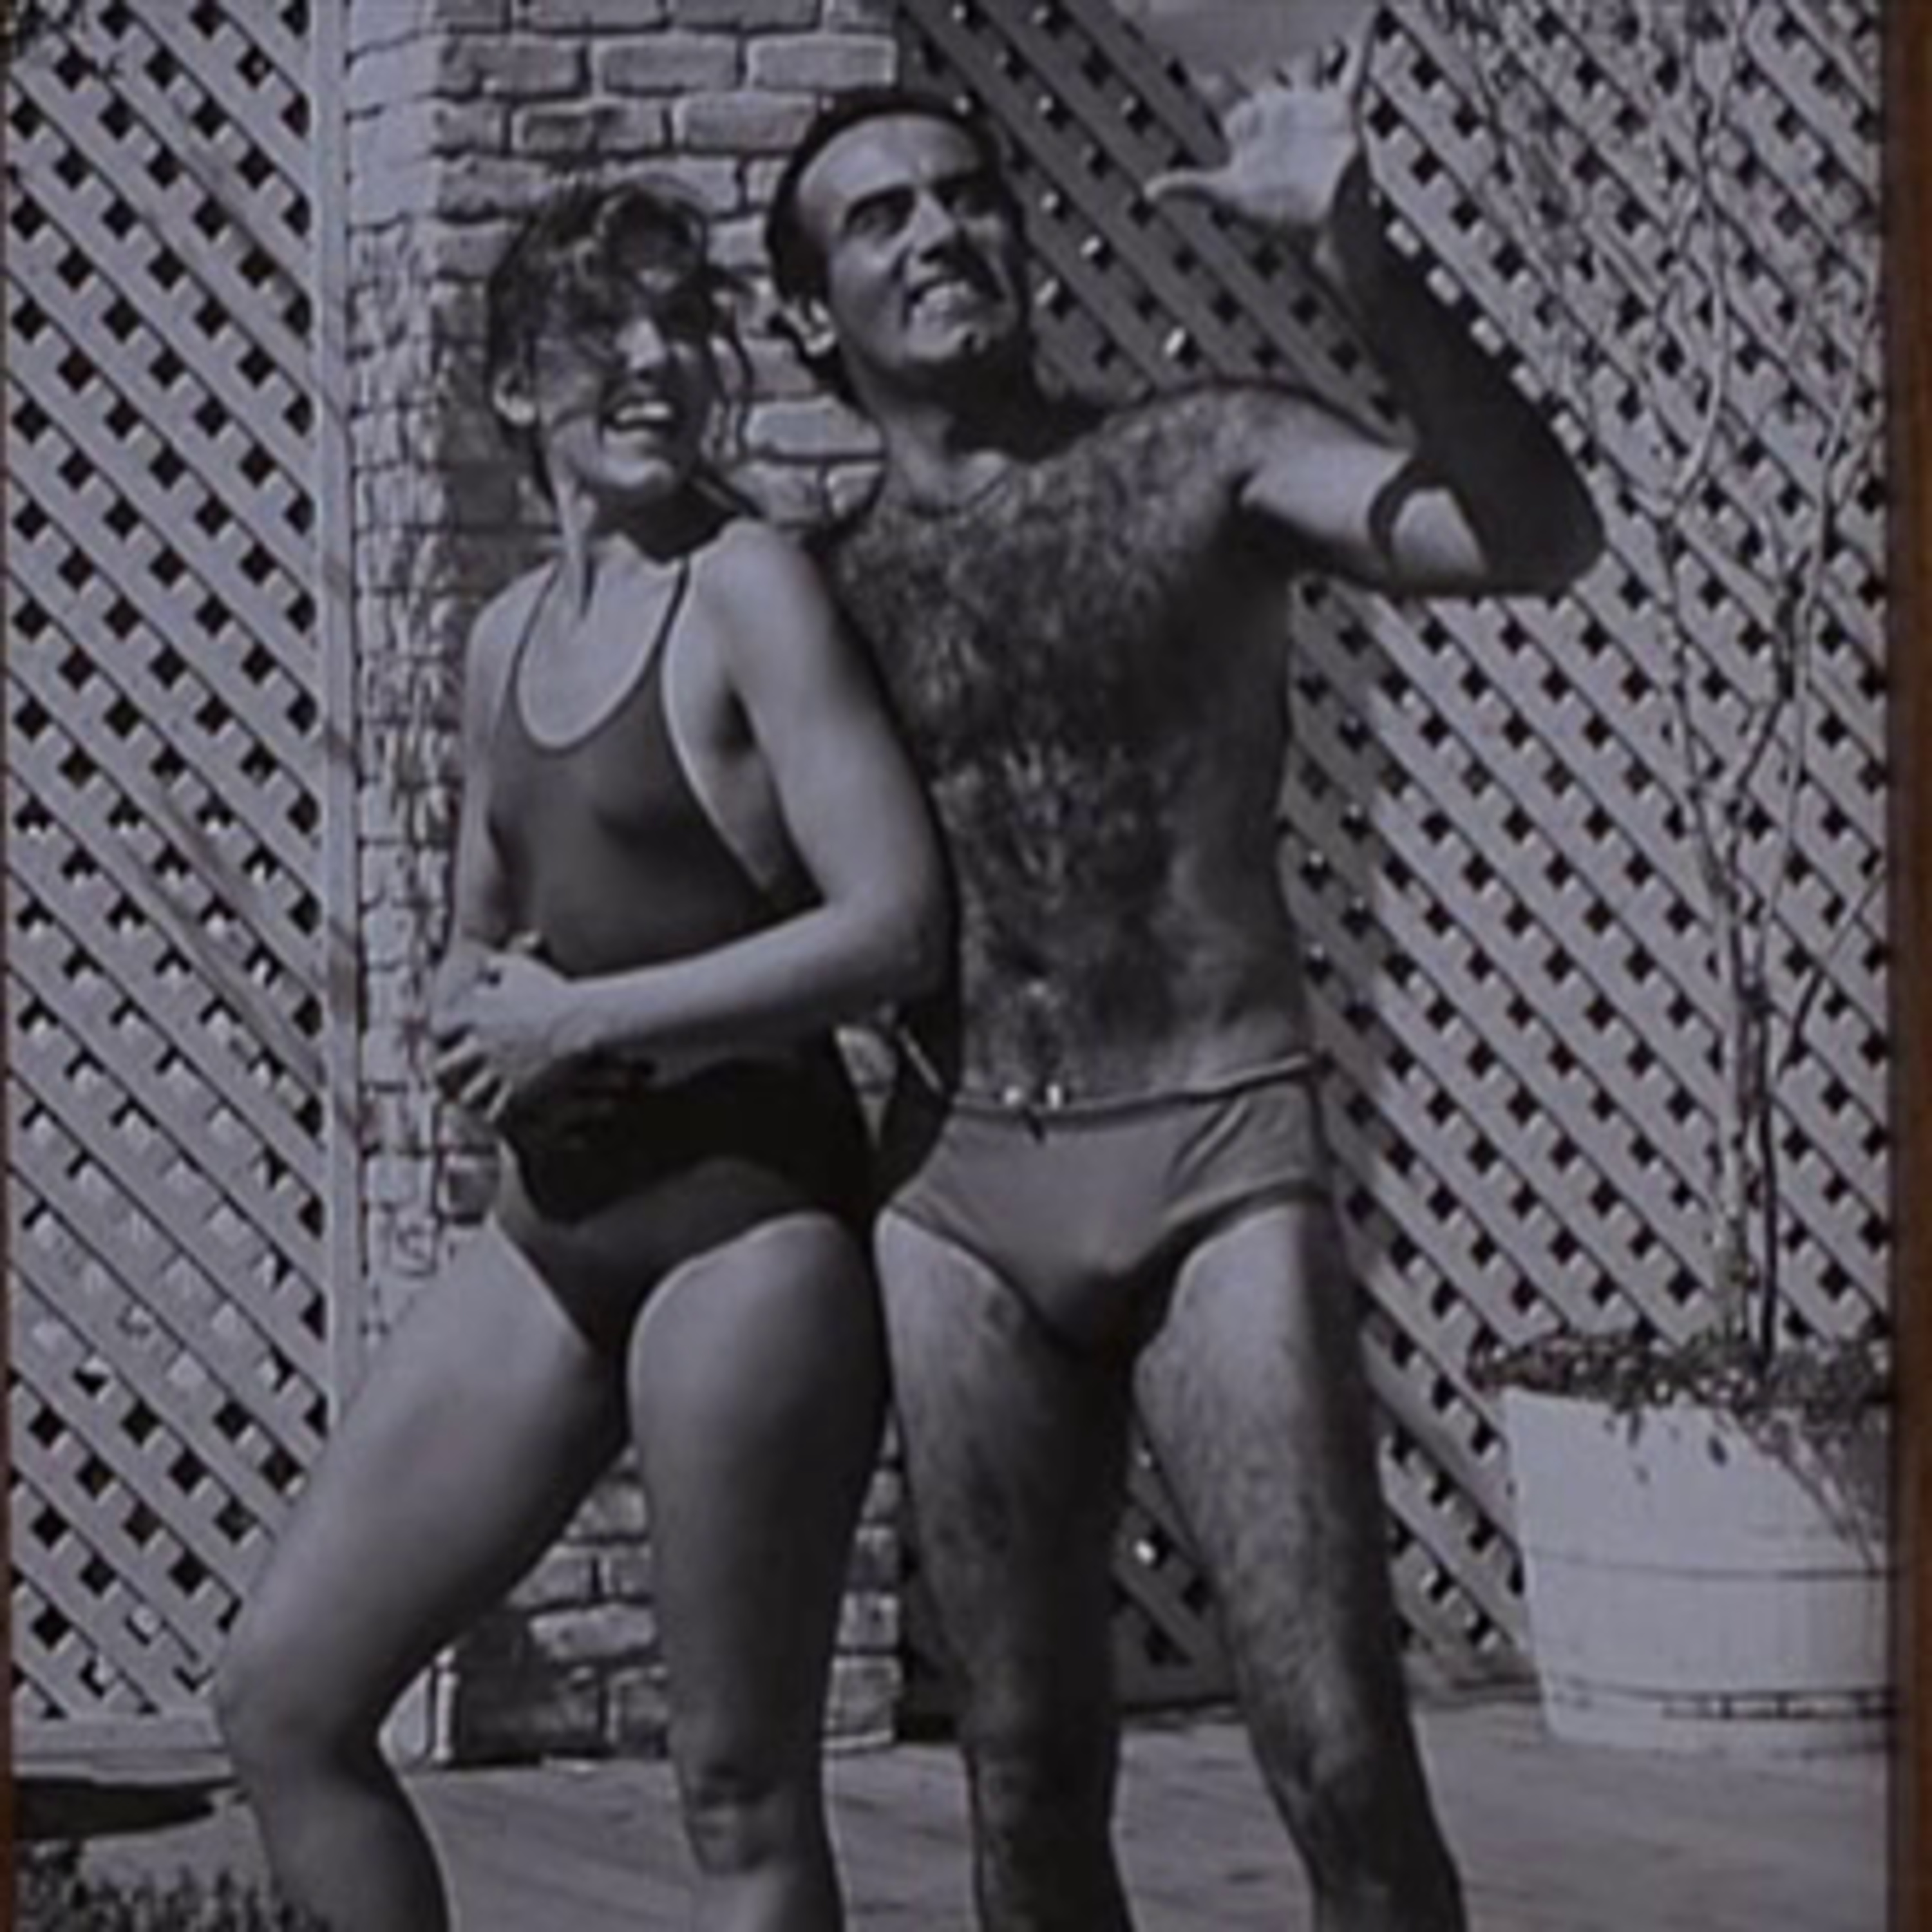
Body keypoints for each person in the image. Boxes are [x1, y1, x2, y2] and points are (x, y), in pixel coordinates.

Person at [763, 23, 1603, 1932]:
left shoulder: (1205, 457)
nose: (940, 233)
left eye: (966, 198)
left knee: (1339, 1758)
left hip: (1218, 1151)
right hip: (957, 1191)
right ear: (814, 318)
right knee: (1024, 1773)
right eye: (881, 220)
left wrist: (1360, 257)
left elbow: (1537, 542)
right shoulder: (812, 592)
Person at [214, 180, 947, 1932]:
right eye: (598, 332)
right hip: (555, 1230)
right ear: (513, 389)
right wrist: (475, 1025)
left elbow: (895, 925)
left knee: (738, 1796)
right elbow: (485, 946)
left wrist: (588, 1018)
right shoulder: (503, 642)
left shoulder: (747, 590)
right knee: (286, 1698)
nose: (650, 360)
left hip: (748, 1234)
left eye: (681, 323)